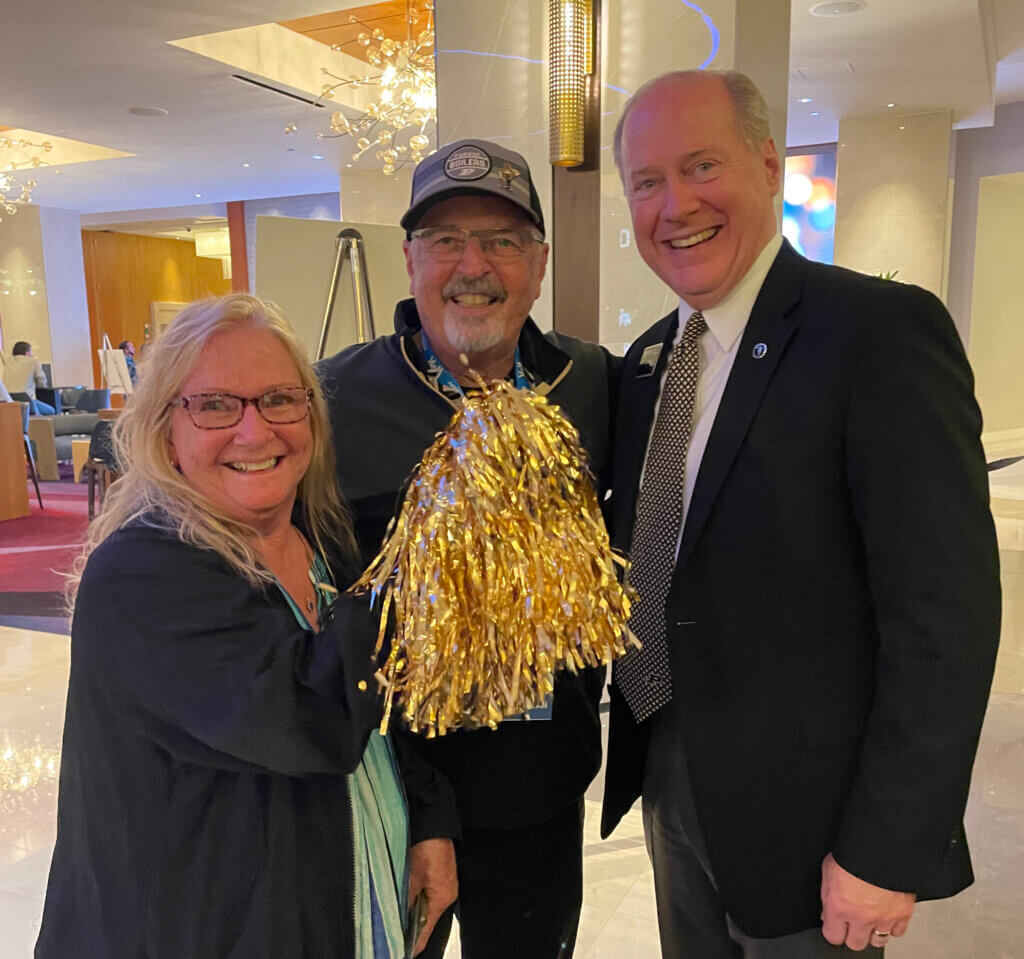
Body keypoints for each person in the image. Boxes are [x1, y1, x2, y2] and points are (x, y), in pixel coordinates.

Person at [601, 70, 1001, 958]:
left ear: (769, 165)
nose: (676, 205)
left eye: (702, 166)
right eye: (648, 181)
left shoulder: (876, 332)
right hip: (670, 777)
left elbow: (945, 619)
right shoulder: (649, 360)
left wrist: (887, 846)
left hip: (812, 822)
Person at [35, 293, 456, 958]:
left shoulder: (322, 536)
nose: (255, 432)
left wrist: (428, 822)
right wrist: (444, 559)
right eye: (215, 405)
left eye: (280, 399)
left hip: (352, 904)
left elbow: (385, 705)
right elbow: (310, 715)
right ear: (166, 431)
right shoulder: (141, 573)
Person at [321, 138, 619, 959]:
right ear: (410, 258)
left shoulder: (593, 383)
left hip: (540, 785)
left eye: (501, 240)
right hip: (390, 784)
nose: (473, 265)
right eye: (446, 239)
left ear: (540, 263)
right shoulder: (336, 398)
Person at [3, 339, 54, 413]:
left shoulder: (8, 362)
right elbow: (41, 381)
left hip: (10, 401)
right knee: (51, 411)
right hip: (28, 401)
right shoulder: (33, 361)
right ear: (27, 353)